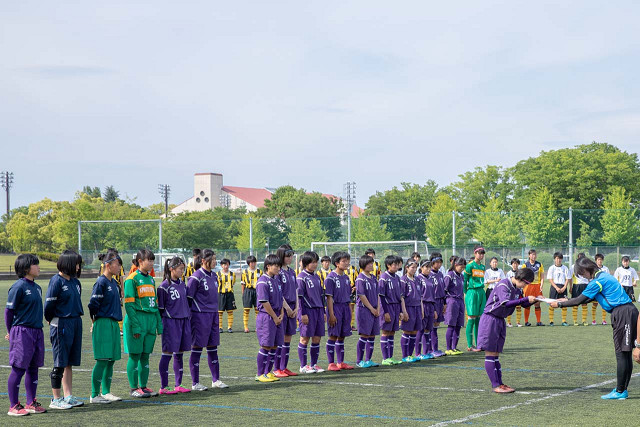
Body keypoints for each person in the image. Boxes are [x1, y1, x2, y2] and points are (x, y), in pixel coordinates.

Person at [551, 257, 638, 400]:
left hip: (623, 313)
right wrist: (564, 300)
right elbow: (586, 298)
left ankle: (620, 390)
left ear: (586, 269)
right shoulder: (602, 276)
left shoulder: (597, 281)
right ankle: (622, 389)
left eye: (581, 273)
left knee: (622, 354)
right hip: (628, 312)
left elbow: (579, 300)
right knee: (626, 354)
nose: (581, 276)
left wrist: (560, 305)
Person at [477, 268, 536, 393]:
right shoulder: (504, 284)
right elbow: (506, 303)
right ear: (520, 279)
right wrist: (525, 299)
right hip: (490, 319)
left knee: (496, 355)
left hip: (500, 320)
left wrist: (535, 300)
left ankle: (500, 384)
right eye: (526, 283)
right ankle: (496, 385)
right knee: (490, 354)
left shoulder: (517, 287)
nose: (525, 286)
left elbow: (523, 303)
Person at [5, 254, 46, 416]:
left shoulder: (37, 287)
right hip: (22, 331)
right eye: (35, 264)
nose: (38, 267)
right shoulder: (18, 287)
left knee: (33, 367)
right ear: (26, 268)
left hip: (37, 331)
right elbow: (9, 312)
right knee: (18, 368)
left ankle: (30, 402)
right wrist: (11, 332)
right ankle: (13, 405)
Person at [45, 250, 84, 409]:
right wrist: (50, 319)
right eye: (76, 263)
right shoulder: (56, 281)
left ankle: (68, 396)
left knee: (69, 363)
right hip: (61, 323)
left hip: (75, 322)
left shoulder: (75, 282)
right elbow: (49, 306)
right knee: (60, 362)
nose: (78, 266)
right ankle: (56, 399)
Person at [187, 249, 228, 391]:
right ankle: (195, 382)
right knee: (197, 348)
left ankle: (216, 380)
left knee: (213, 347)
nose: (216, 262)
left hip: (213, 315)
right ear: (204, 261)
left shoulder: (214, 276)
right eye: (213, 259)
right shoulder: (196, 277)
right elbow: (189, 299)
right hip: (199, 316)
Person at [123, 249, 161, 398]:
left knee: (145, 356)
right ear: (140, 261)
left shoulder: (151, 279)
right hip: (137, 320)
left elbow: (155, 303)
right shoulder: (131, 279)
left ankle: (143, 386)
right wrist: (135, 324)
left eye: (152, 260)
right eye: (149, 260)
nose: (151, 263)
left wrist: (158, 323)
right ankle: (134, 388)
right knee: (135, 355)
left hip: (150, 321)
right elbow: (129, 305)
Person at [87, 250, 123, 404]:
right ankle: (94, 394)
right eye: (117, 265)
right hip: (103, 323)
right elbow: (92, 305)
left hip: (114, 323)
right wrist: (95, 322)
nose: (119, 268)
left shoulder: (114, 283)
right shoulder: (101, 282)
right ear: (108, 265)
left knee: (111, 360)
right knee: (102, 359)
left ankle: (106, 391)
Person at [157, 257, 191, 394]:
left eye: (183, 269)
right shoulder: (164, 287)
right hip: (170, 322)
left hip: (183, 321)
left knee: (180, 353)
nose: (182, 271)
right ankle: (164, 386)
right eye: (180, 269)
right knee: (167, 353)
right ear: (172, 269)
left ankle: (179, 384)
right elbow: (160, 309)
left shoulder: (183, 284)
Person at [255, 254, 284, 383]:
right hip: (267, 317)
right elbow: (264, 302)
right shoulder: (262, 281)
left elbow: (280, 298)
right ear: (268, 266)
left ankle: (268, 372)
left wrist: (282, 313)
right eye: (276, 266)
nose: (278, 268)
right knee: (266, 345)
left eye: (279, 266)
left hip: (277, 315)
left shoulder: (276, 280)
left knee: (275, 345)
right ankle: (260, 373)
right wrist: (274, 316)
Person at [324, 251, 354, 371]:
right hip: (335, 308)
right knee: (333, 335)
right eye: (344, 261)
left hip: (345, 308)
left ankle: (340, 362)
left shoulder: (346, 278)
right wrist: (331, 314)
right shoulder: (330, 278)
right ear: (337, 263)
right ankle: (331, 363)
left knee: (342, 336)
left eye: (347, 261)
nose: (347, 263)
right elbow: (329, 297)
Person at [297, 251, 326, 374]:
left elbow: (321, 295)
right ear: (305, 263)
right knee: (304, 338)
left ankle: (313, 364)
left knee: (317, 338)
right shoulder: (301, 277)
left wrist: (324, 311)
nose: (314, 265)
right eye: (312, 262)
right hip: (307, 311)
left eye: (316, 262)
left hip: (318, 310)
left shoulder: (316, 276)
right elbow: (299, 297)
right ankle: (303, 366)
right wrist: (302, 314)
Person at [273, 245, 299, 378]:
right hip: (283, 309)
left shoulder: (292, 272)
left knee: (288, 339)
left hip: (293, 309)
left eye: (291, 255)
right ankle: (277, 368)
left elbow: (295, 290)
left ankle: (284, 367)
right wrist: (287, 308)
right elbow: (279, 292)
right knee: (280, 339)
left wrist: (296, 308)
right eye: (287, 255)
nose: (290, 258)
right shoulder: (278, 272)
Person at [379, 255, 406, 365]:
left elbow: (399, 296)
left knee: (392, 332)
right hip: (388, 306)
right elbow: (381, 296)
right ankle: (385, 358)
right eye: (394, 264)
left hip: (395, 307)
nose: (396, 266)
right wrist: (385, 312)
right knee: (385, 332)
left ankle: (390, 356)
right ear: (388, 265)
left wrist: (400, 310)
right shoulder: (383, 278)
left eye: (397, 264)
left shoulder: (397, 278)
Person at [355, 255, 380, 368]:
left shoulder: (374, 278)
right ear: (363, 265)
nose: (371, 265)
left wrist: (378, 308)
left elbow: (378, 294)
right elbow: (362, 295)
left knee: (372, 335)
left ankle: (368, 360)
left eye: (372, 263)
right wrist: (371, 308)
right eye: (369, 263)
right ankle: (359, 360)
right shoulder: (360, 278)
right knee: (364, 335)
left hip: (375, 309)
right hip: (364, 310)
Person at [464, 246, 485, 351]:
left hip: (481, 292)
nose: (481, 255)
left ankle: (478, 344)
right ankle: (469, 345)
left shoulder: (483, 267)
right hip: (472, 292)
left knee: (479, 319)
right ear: (475, 253)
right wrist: (465, 293)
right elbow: (465, 280)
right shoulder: (470, 266)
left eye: (482, 253)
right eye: (479, 253)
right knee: (471, 318)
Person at [400, 259, 422, 363]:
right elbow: (402, 297)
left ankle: (410, 354)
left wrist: (421, 309)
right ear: (406, 268)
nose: (414, 269)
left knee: (414, 332)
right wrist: (404, 311)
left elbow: (420, 296)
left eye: (415, 267)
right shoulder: (403, 280)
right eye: (412, 267)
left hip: (417, 307)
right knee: (407, 331)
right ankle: (405, 356)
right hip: (408, 308)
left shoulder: (417, 280)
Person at [444, 257, 466, 355]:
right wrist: (445, 304)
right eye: (461, 267)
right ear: (456, 265)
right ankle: (449, 348)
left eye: (463, 267)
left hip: (460, 301)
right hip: (452, 301)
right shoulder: (449, 275)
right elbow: (444, 290)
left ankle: (454, 347)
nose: (462, 269)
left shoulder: (461, 276)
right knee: (451, 324)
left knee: (458, 325)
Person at [415, 260, 435, 360]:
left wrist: (434, 309)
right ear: (421, 268)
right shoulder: (418, 278)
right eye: (426, 267)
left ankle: (426, 351)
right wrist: (421, 308)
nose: (428, 269)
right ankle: (418, 353)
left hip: (431, 305)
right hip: (423, 305)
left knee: (428, 329)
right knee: (421, 329)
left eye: (429, 267)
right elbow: (419, 295)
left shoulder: (431, 278)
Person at [428, 252, 446, 357]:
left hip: (440, 301)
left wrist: (444, 303)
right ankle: (430, 349)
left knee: (436, 325)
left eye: (440, 262)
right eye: (437, 262)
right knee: (431, 325)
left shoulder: (440, 274)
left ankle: (435, 348)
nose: (439, 264)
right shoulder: (429, 275)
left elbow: (443, 289)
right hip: (433, 302)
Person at [546, 252, 570, 326]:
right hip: (554, 287)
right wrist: (556, 287)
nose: (558, 260)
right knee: (552, 303)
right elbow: (550, 279)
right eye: (557, 258)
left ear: (562, 259)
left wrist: (564, 287)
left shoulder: (565, 268)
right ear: (554, 259)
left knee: (564, 304)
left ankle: (564, 321)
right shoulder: (551, 268)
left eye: (560, 258)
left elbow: (567, 278)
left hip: (563, 287)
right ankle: (551, 321)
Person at [522, 249, 544, 326]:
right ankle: (526, 322)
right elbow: (523, 276)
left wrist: (541, 285)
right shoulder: (525, 265)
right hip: (528, 286)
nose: (533, 256)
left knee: (537, 303)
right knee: (528, 303)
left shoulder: (539, 264)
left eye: (534, 254)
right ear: (529, 255)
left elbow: (542, 276)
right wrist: (524, 286)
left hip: (537, 285)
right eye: (532, 254)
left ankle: (538, 321)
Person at [241, 256, 262, 333]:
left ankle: (258, 327)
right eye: (251, 262)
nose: (253, 264)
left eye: (254, 262)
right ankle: (246, 327)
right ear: (248, 263)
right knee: (246, 310)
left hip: (257, 291)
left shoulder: (260, 272)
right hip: (248, 291)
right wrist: (243, 294)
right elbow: (242, 283)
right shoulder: (244, 272)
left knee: (257, 310)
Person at [217, 259, 237, 333]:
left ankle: (229, 327)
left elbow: (233, 282)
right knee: (220, 312)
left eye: (227, 264)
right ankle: (220, 327)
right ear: (221, 265)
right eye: (224, 264)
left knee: (230, 311)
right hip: (220, 294)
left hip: (230, 294)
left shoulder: (232, 274)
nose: (226, 266)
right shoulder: (217, 274)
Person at [570, 253, 590, 326]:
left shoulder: (587, 266)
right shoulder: (573, 266)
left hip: (585, 286)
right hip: (576, 286)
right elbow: (570, 277)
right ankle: (575, 321)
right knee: (575, 303)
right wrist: (570, 287)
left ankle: (584, 320)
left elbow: (589, 277)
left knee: (584, 304)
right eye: (580, 258)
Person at [595, 253, 609, 325]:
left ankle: (604, 320)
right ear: (596, 260)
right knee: (594, 304)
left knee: (604, 304)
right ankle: (593, 320)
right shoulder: (593, 268)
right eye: (598, 260)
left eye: (601, 260)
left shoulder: (605, 269)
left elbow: (608, 278)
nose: (600, 261)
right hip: (596, 288)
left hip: (603, 289)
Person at [506, 258, 520, 327]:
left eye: (516, 263)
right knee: (510, 306)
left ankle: (518, 322)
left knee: (518, 306)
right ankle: (509, 322)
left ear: (518, 264)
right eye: (514, 263)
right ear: (511, 264)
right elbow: (507, 282)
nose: (515, 265)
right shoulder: (509, 273)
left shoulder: (520, 272)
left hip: (518, 291)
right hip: (511, 291)